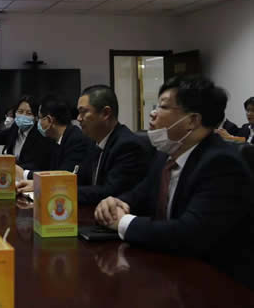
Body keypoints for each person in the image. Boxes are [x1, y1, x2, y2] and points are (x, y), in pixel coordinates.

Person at [94, 75, 254, 288]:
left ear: (192, 120)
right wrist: (115, 203)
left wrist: (123, 222)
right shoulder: (165, 156)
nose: (152, 114)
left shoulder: (221, 164)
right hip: (170, 271)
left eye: (162, 107)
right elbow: (139, 195)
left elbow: (190, 233)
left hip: (217, 283)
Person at [75, 85, 152, 205]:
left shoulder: (128, 146)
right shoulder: (92, 142)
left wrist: (66, 192)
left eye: (83, 112)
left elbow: (109, 192)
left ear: (106, 113)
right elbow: (81, 179)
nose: (78, 118)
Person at [15, 95, 93, 189]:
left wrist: (24, 174)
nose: (38, 123)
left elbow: (63, 178)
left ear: (49, 120)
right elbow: (48, 170)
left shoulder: (76, 140)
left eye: (40, 118)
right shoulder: (55, 140)